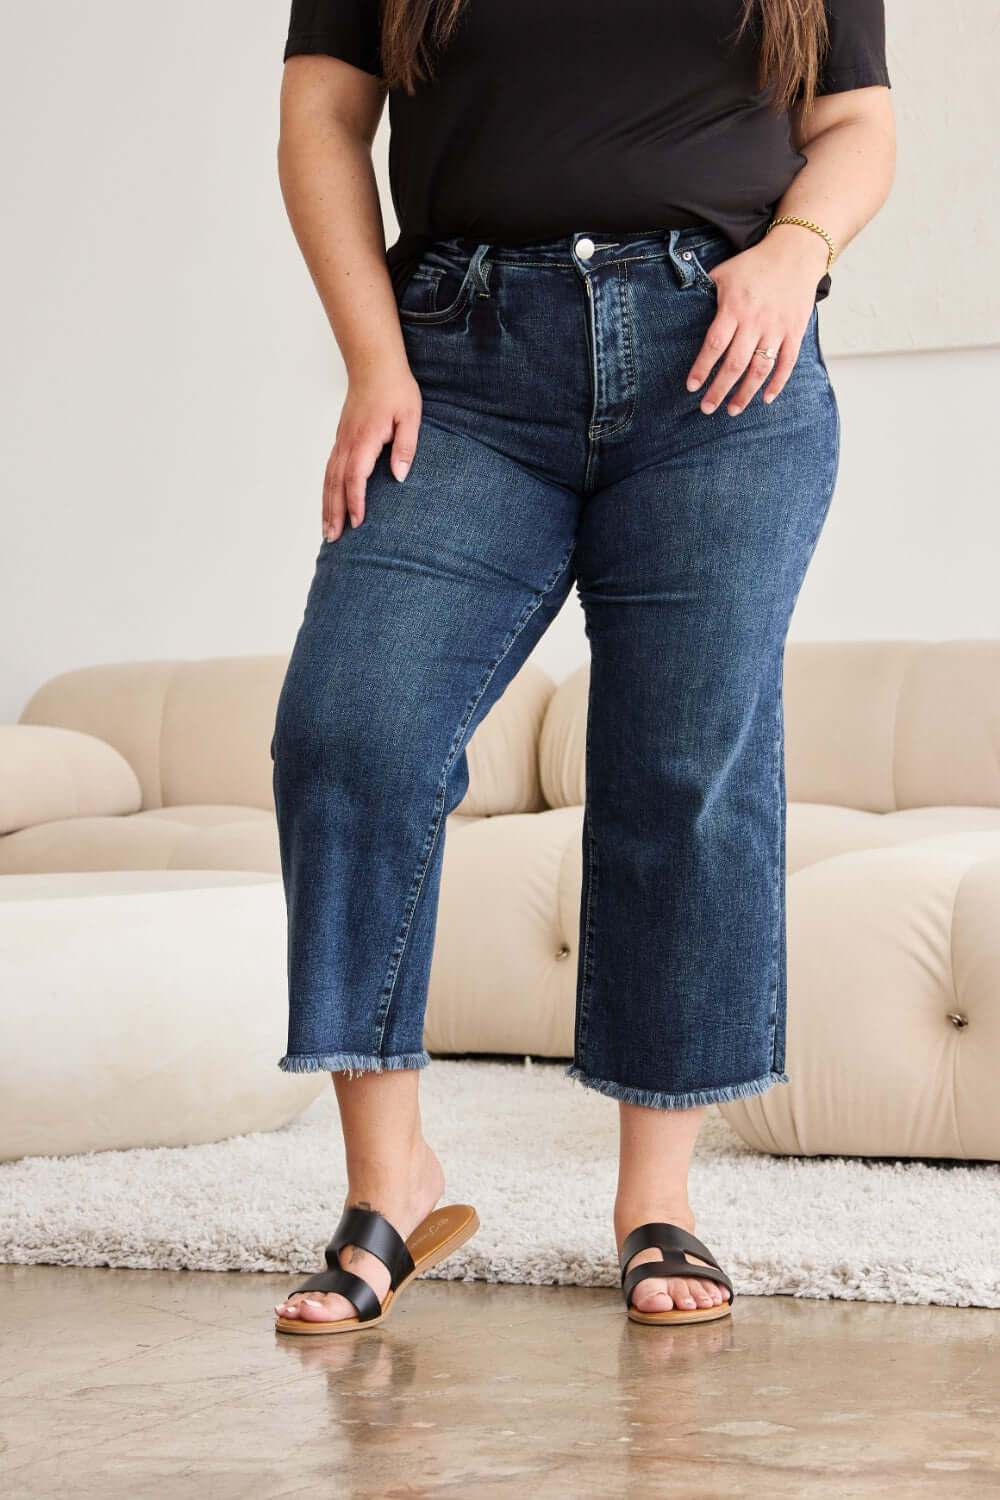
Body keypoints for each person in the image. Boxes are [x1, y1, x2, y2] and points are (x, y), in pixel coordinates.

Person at [269, 0, 895, 1334]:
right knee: (351, 730)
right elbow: (323, 117)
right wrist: (373, 356)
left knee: (681, 766)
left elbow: (855, 123)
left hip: (721, 361)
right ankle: (391, 1187)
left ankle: (655, 1200)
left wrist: (798, 248)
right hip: (459, 359)